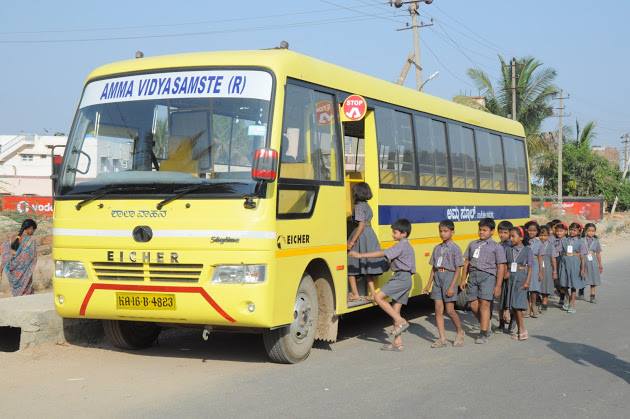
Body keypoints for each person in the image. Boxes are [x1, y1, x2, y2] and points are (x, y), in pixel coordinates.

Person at [349, 219, 415, 352]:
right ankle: (398, 343)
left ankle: (401, 321)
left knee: (378, 297)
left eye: (395, 232)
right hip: (406, 279)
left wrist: (360, 255)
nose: (392, 234)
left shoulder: (401, 245)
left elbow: (383, 253)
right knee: (395, 310)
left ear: (403, 233)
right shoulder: (406, 245)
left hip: (401, 278)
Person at [462, 218, 507, 344]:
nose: (481, 232)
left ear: (492, 232)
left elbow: (501, 266)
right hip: (473, 276)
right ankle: (486, 324)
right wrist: (463, 278)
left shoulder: (496, 247)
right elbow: (466, 262)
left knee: (485, 303)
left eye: (484, 230)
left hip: (488, 276)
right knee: (473, 304)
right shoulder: (472, 244)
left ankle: (483, 333)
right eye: (480, 230)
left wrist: (498, 286)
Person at [422, 220, 465, 348]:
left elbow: (458, 268)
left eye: (445, 231)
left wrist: (453, 286)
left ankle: (460, 331)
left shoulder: (455, 248)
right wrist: (428, 284)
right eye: (441, 231)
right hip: (438, 278)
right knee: (438, 310)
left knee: (450, 310)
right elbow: (433, 268)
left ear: (452, 232)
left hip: (449, 277)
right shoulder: (437, 248)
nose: (442, 234)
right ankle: (442, 338)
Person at [346, 182, 388, 302]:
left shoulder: (358, 206)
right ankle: (373, 293)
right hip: (370, 235)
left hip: (361, 235)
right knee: (367, 266)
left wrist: (352, 242)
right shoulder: (367, 205)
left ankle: (355, 294)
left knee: (351, 264)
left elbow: (361, 225)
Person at [505, 226, 533, 341]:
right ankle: (519, 330)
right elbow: (506, 265)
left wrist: (527, 281)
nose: (511, 238)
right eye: (510, 236)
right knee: (514, 306)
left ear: (521, 237)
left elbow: (530, 267)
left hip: (521, 278)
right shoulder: (508, 250)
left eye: (513, 236)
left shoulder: (527, 250)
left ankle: (522, 329)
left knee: (518, 306)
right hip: (511, 278)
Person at [2, 219, 38, 297]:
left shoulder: (14, 237)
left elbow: (5, 248)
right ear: (30, 228)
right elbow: (30, 256)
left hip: (14, 269)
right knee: (27, 292)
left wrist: (13, 259)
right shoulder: (31, 240)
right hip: (25, 271)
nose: (33, 232)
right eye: (33, 229)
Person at [559, 222, 586, 314]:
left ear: (579, 231)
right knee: (564, 284)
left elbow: (582, 256)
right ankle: (568, 298)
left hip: (575, 264)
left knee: (574, 285)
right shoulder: (564, 240)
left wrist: (582, 268)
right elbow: (559, 251)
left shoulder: (581, 242)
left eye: (574, 230)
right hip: (564, 263)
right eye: (571, 229)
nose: (572, 232)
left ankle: (572, 303)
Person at [496, 220, 513, 333]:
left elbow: (513, 262)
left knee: (510, 300)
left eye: (505, 232)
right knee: (501, 301)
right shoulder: (498, 245)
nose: (502, 235)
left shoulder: (511, 246)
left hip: (510, 277)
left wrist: (508, 272)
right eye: (500, 232)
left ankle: (512, 321)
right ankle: (501, 324)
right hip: (500, 276)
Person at [537, 225, 558, 311]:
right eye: (541, 235)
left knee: (546, 284)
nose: (543, 237)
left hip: (547, 267)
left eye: (545, 235)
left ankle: (545, 301)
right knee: (538, 283)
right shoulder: (535, 244)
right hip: (537, 266)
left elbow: (553, 259)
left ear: (548, 236)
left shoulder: (551, 246)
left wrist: (554, 271)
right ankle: (539, 298)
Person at [581, 223, 603, 303]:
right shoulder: (581, 240)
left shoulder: (596, 241)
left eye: (593, 231)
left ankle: (592, 295)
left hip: (592, 261)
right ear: (585, 231)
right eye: (589, 231)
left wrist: (600, 264)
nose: (591, 233)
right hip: (583, 260)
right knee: (582, 276)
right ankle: (581, 290)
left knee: (593, 278)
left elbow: (598, 253)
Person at [524, 220, 541, 318]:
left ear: (537, 231)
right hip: (524, 265)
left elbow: (540, 257)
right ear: (526, 230)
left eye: (534, 231)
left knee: (534, 288)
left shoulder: (539, 243)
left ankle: (533, 304)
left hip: (535, 266)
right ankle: (527, 307)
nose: (531, 232)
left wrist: (541, 271)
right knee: (526, 287)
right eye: (529, 230)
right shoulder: (523, 241)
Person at [553, 222, 568, 307]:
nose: (559, 233)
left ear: (565, 231)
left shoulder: (567, 241)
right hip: (556, 261)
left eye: (561, 231)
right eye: (557, 231)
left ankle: (564, 298)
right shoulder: (555, 240)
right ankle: (562, 296)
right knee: (557, 282)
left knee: (563, 281)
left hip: (563, 262)